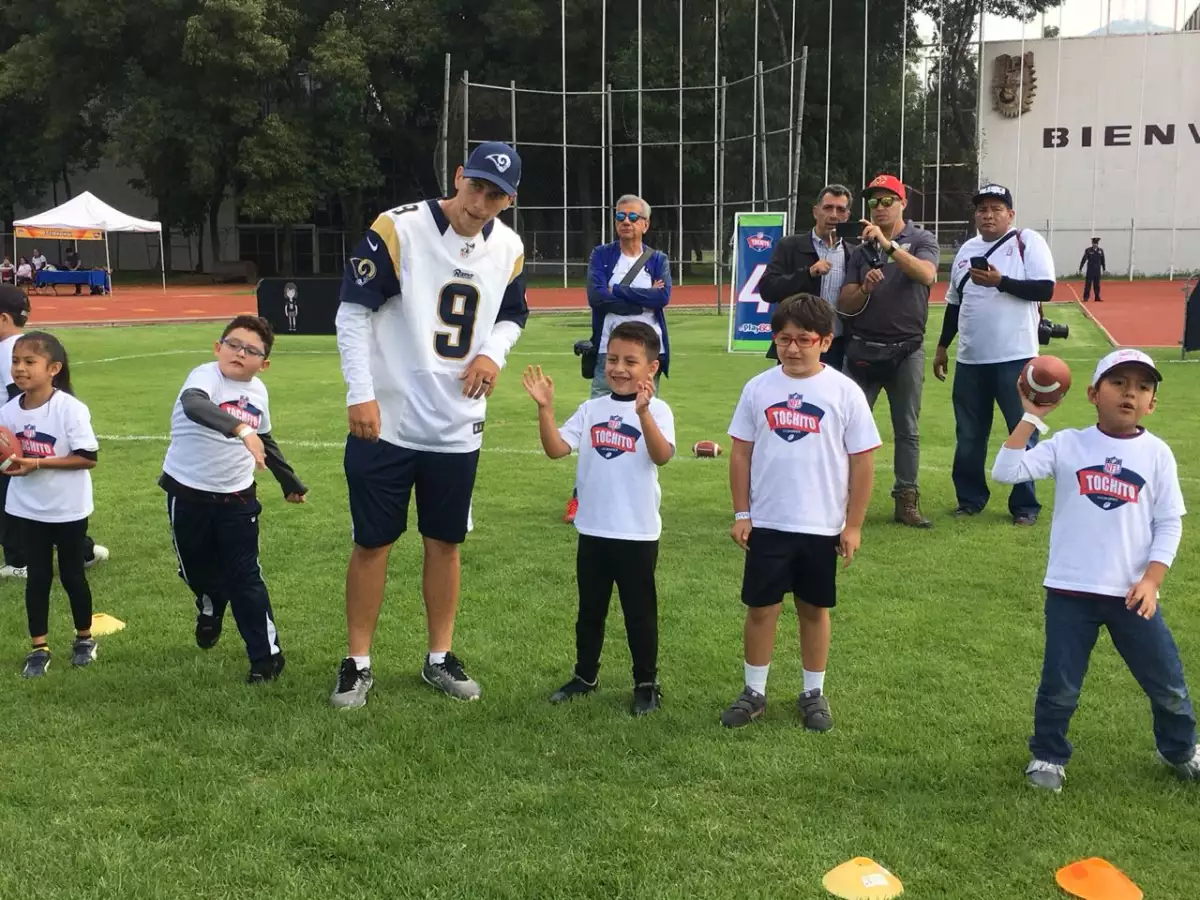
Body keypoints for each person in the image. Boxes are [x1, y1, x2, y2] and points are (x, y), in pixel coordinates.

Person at [331, 141, 529, 709]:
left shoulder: (508, 247)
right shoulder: (399, 228)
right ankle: (358, 661)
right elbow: (353, 313)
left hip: (457, 423)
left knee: (445, 542)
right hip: (387, 419)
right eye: (476, 188)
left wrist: (493, 353)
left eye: (496, 196)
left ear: (508, 201)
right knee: (372, 542)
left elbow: (513, 313)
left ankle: (439, 656)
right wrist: (360, 394)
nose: (481, 203)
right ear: (459, 176)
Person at [992, 348, 1198, 790]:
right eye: (1119, 383)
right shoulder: (1070, 444)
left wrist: (1152, 579)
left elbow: (1168, 524)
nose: (1131, 393)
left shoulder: (1157, 454)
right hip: (1070, 590)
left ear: (1153, 403)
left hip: (1132, 593)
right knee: (1060, 686)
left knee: (1167, 683)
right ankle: (1048, 756)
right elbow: (1006, 471)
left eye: (1143, 387)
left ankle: (1180, 749)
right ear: (1092, 393)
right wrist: (1031, 416)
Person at [719, 294, 879, 731]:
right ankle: (754, 691)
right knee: (761, 608)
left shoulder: (844, 392)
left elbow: (863, 461)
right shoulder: (758, 387)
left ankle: (813, 692)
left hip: (820, 524)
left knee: (814, 609)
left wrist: (854, 525)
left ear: (825, 341)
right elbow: (741, 453)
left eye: (803, 339)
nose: (792, 348)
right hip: (769, 521)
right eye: (783, 339)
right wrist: (741, 512)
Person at [524, 322, 675, 716]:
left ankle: (646, 682)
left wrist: (643, 415)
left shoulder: (657, 409)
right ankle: (585, 675)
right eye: (612, 359)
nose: (619, 368)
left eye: (630, 361)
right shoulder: (592, 409)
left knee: (639, 613)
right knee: (590, 610)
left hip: (637, 532)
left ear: (652, 368)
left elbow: (662, 455)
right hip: (593, 528)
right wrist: (545, 409)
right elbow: (557, 449)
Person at [160, 315, 307, 684]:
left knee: (246, 576)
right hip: (188, 493)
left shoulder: (258, 392)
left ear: (264, 364)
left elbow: (266, 438)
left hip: (238, 497)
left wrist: (288, 480)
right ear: (218, 347)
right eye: (233, 344)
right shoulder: (205, 376)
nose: (239, 353)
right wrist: (241, 429)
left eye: (251, 350)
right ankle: (210, 603)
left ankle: (266, 657)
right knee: (195, 570)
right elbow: (195, 405)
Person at [934, 184, 1056, 526]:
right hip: (971, 360)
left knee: (1022, 431)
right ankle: (970, 499)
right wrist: (943, 346)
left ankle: (1025, 506)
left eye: (996, 209)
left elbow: (1045, 288)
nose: (988, 215)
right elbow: (954, 305)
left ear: (1010, 215)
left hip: (1015, 357)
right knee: (970, 434)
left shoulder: (1026, 242)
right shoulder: (965, 251)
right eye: (982, 209)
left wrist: (1000, 282)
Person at [838, 174, 940, 528]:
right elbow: (845, 303)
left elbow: (927, 275)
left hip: (906, 350)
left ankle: (906, 500)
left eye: (887, 201)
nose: (880, 208)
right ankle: (841, 498)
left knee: (906, 428)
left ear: (902, 204)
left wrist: (888, 246)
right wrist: (864, 288)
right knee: (847, 427)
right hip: (863, 348)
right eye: (874, 202)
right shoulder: (859, 249)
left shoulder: (922, 238)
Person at [565, 195, 671, 525]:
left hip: (647, 355)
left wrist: (618, 293)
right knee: (596, 421)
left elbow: (663, 297)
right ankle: (580, 498)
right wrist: (642, 301)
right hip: (607, 354)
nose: (625, 221)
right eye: (620, 216)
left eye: (633, 217)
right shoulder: (602, 254)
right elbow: (597, 297)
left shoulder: (657, 259)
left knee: (643, 419)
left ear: (645, 224)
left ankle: (636, 496)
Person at [0, 332, 99, 678]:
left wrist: (37, 463)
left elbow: (87, 458)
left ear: (53, 368)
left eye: (30, 362)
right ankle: (38, 647)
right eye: (15, 361)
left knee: (72, 576)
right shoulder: (8, 412)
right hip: (27, 508)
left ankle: (84, 639)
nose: (20, 368)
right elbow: (9, 457)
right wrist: (11, 463)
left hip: (67, 508)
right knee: (37, 578)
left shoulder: (69, 408)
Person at [759, 184, 854, 371]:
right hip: (799, 343)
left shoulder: (854, 252)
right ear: (815, 211)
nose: (833, 215)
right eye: (828, 208)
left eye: (840, 209)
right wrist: (807, 273)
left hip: (839, 345)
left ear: (847, 216)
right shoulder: (790, 246)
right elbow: (768, 289)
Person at [1079, 237, 1105, 302]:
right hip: (1090, 270)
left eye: (1096, 243)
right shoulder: (1088, 250)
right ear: (1092, 243)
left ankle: (1097, 297)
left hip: (1097, 271)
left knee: (1097, 285)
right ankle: (1086, 297)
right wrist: (1081, 267)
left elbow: (1103, 260)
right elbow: (1084, 259)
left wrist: (1104, 268)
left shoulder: (1100, 250)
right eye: (1094, 243)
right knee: (1088, 285)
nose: (1095, 244)